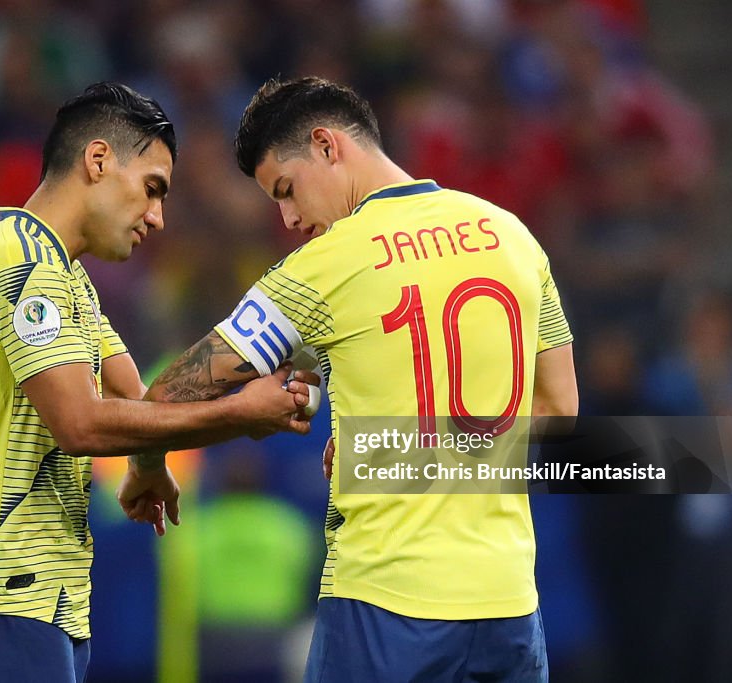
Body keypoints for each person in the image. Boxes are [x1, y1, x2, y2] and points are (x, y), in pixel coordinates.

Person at [119, 77, 578, 683]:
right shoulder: (512, 235)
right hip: (508, 609)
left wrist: (148, 468)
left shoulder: (325, 266)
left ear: (327, 146)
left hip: (384, 606)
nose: (288, 218)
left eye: (286, 190)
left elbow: (171, 392)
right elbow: (559, 414)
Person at [0, 82, 318, 683]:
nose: (157, 217)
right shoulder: (19, 264)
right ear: (98, 161)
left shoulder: (67, 278)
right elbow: (80, 423)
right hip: (2, 587)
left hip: (45, 596)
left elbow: (139, 399)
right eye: (152, 189)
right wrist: (240, 413)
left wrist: (150, 468)